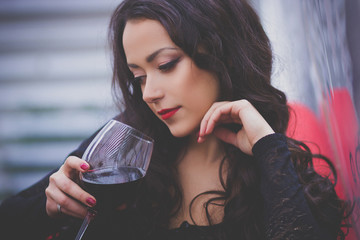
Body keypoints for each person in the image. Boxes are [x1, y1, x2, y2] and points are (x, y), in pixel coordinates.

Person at [0, 0, 351, 239]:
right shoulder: (125, 150)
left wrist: (266, 146)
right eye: (138, 76)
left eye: (165, 65)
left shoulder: (270, 161)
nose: (149, 92)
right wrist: (51, 207)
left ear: (221, 54)